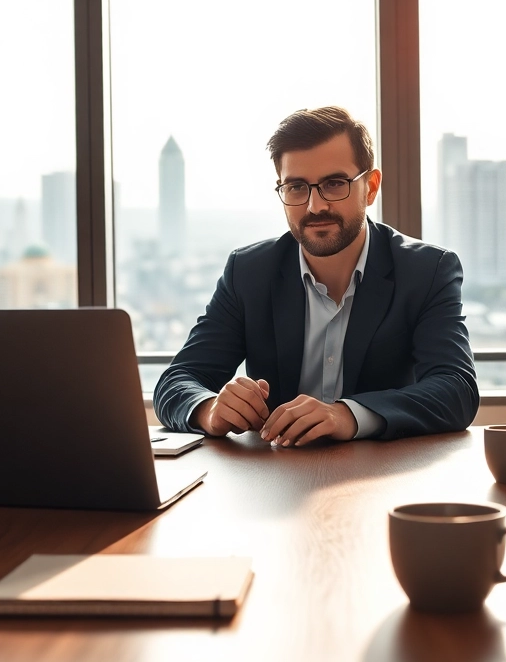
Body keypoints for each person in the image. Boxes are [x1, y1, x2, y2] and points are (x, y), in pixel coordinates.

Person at [153, 106, 479, 446]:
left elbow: (456, 388)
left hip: (386, 476)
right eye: (296, 187)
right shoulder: (249, 272)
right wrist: (211, 409)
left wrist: (347, 414)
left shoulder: (427, 271)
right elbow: (177, 380)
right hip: (274, 482)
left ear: (370, 187)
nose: (314, 207)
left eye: (334, 184)